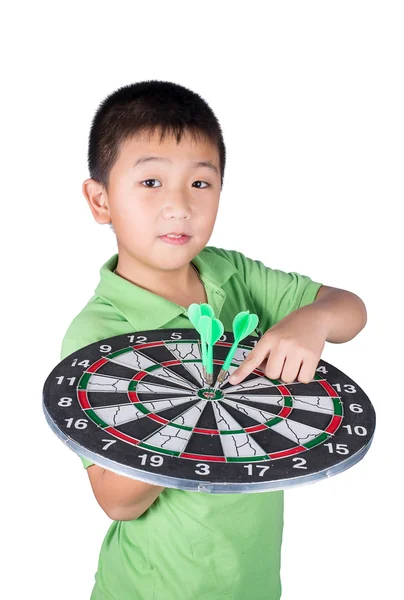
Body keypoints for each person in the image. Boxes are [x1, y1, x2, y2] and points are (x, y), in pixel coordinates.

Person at [60, 79, 367, 600]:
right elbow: (118, 501)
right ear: (100, 199)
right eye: (151, 182)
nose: (179, 205)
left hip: (252, 582)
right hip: (152, 588)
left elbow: (351, 311)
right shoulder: (100, 335)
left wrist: (309, 321)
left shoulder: (232, 275)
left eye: (201, 183)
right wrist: (191, 403)